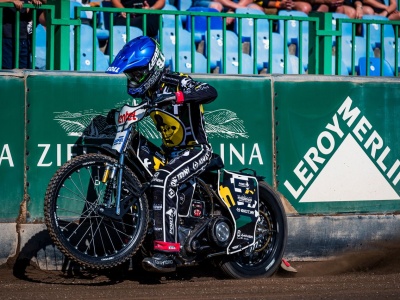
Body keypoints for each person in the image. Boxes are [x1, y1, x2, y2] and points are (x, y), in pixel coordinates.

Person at [106, 36, 218, 273]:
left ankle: (167, 253)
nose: (133, 79)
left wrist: (176, 97)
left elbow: (210, 91)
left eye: (137, 73)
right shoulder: (147, 94)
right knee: (144, 174)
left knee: (163, 179)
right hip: (171, 154)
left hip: (196, 150)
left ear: (152, 67)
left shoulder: (177, 82)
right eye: (131, 75)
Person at [1, 0, 46, 69]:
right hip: (8, 40)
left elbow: (45, 21)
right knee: (7, 70)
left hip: (25, 41)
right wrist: (12, 1)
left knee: (24, 70)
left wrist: (44, 3)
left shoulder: (32, 4)